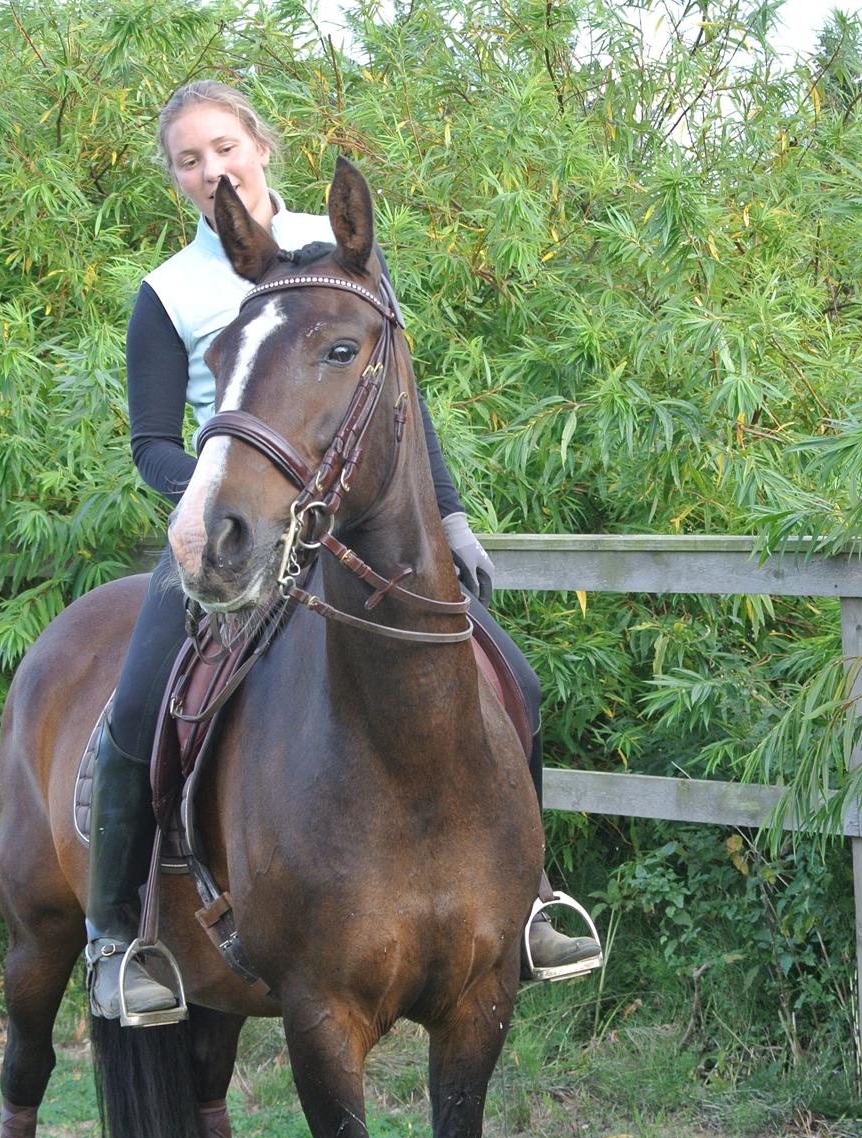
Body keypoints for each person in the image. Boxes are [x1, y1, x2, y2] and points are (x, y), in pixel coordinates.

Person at [84, 79, 602, 1021]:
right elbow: (152, 440)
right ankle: (118, 938)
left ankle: (525, 898)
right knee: (136, 704)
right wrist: (214, 499)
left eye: (223, 149)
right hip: (235, 529)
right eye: (187, 161)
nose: (210, 171)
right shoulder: (170, 293)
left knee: (510, 675)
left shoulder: (345, 257)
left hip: (352, 528)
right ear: (173, 180)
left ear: (261, 148)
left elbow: (398, 402)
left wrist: (447, 517)